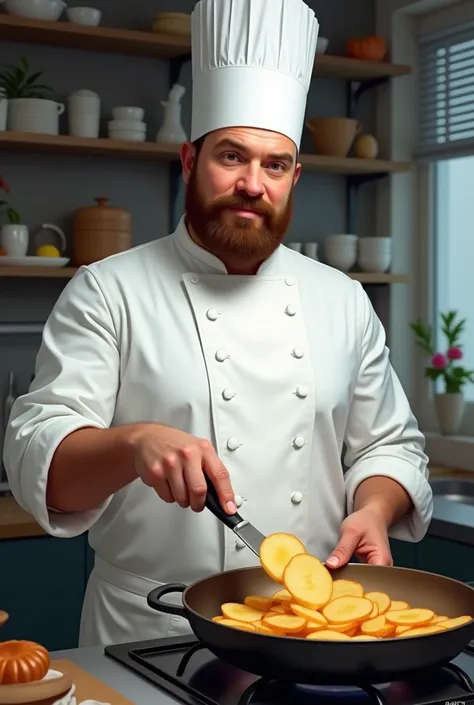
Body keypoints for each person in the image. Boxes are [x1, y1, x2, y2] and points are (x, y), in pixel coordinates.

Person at [3, 0, 433, 648]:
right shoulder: (107, 291)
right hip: (150, 630)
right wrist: (133, 443)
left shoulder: (342, 300)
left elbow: (391, 447)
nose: (252, 184)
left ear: (295, 177)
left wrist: (375, 508)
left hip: (310, 629)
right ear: (188, 160)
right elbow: (42, 460)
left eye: (275, 164)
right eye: (232, 156)